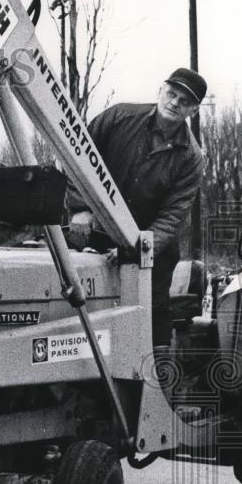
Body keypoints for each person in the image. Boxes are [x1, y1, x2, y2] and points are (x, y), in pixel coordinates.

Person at [65, 67, 207, 349]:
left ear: (193, 110)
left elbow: (171, 216)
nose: (175, 103)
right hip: (94, 229)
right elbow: (76, 157)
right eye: (172, 93)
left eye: (185, 101)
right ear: (160, 91)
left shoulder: (191, 159)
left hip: (150, 244)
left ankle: (156, 380)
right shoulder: (119, 117)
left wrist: (135, 247)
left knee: (151, 312)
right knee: (76, 303)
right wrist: (81, 207)